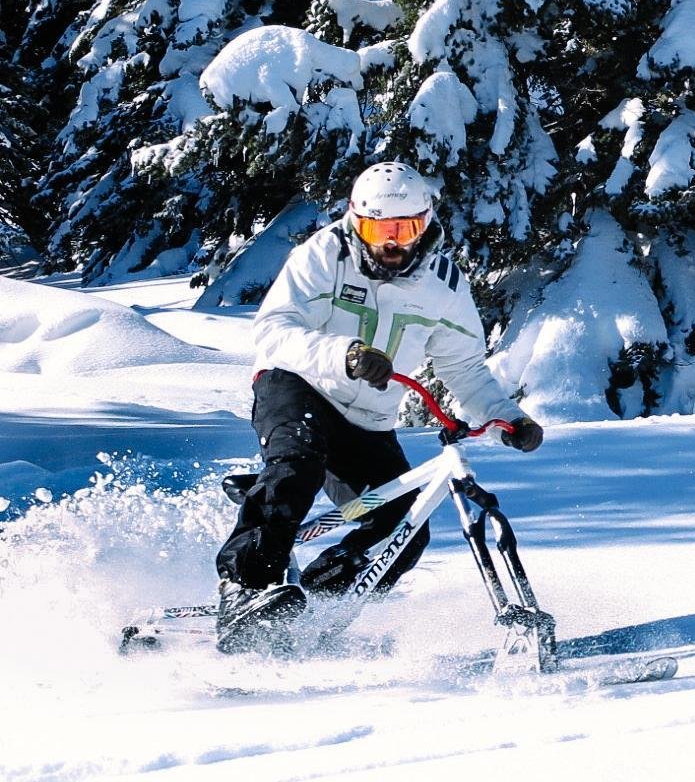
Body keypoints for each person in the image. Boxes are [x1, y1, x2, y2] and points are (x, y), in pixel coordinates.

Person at [213, 161, 543, 652]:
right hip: (298, 384)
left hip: (367, 418)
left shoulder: (444, 286)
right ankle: (245, 590)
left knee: (404, 528)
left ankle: (311, 615)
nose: (393, 242)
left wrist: (508, 421)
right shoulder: (324, 255)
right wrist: (342, 355)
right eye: (378, 228)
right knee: (297, 462)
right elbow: (274, 330)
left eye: (406, 228)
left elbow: (465, 369)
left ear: (427, 224)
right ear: (355, 222)